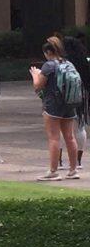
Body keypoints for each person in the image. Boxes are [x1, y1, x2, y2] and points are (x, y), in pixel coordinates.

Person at [31, 36, 81, 180]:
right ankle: (73, 170)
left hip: (53, 105)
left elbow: (38, 86)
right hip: (69, 103)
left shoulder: (49, 65)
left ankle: (53, 171)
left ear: (48, 52)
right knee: (70, 137)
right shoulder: (68, 63)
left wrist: (35, 75)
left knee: (54, 138)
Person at [64, 35, 90, 169]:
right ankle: (78, 159)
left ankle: (61, 161)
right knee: (80, 126)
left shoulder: (64, 62)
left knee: (63, 128)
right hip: (82, 95)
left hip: (66, 97)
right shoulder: (84, 61)